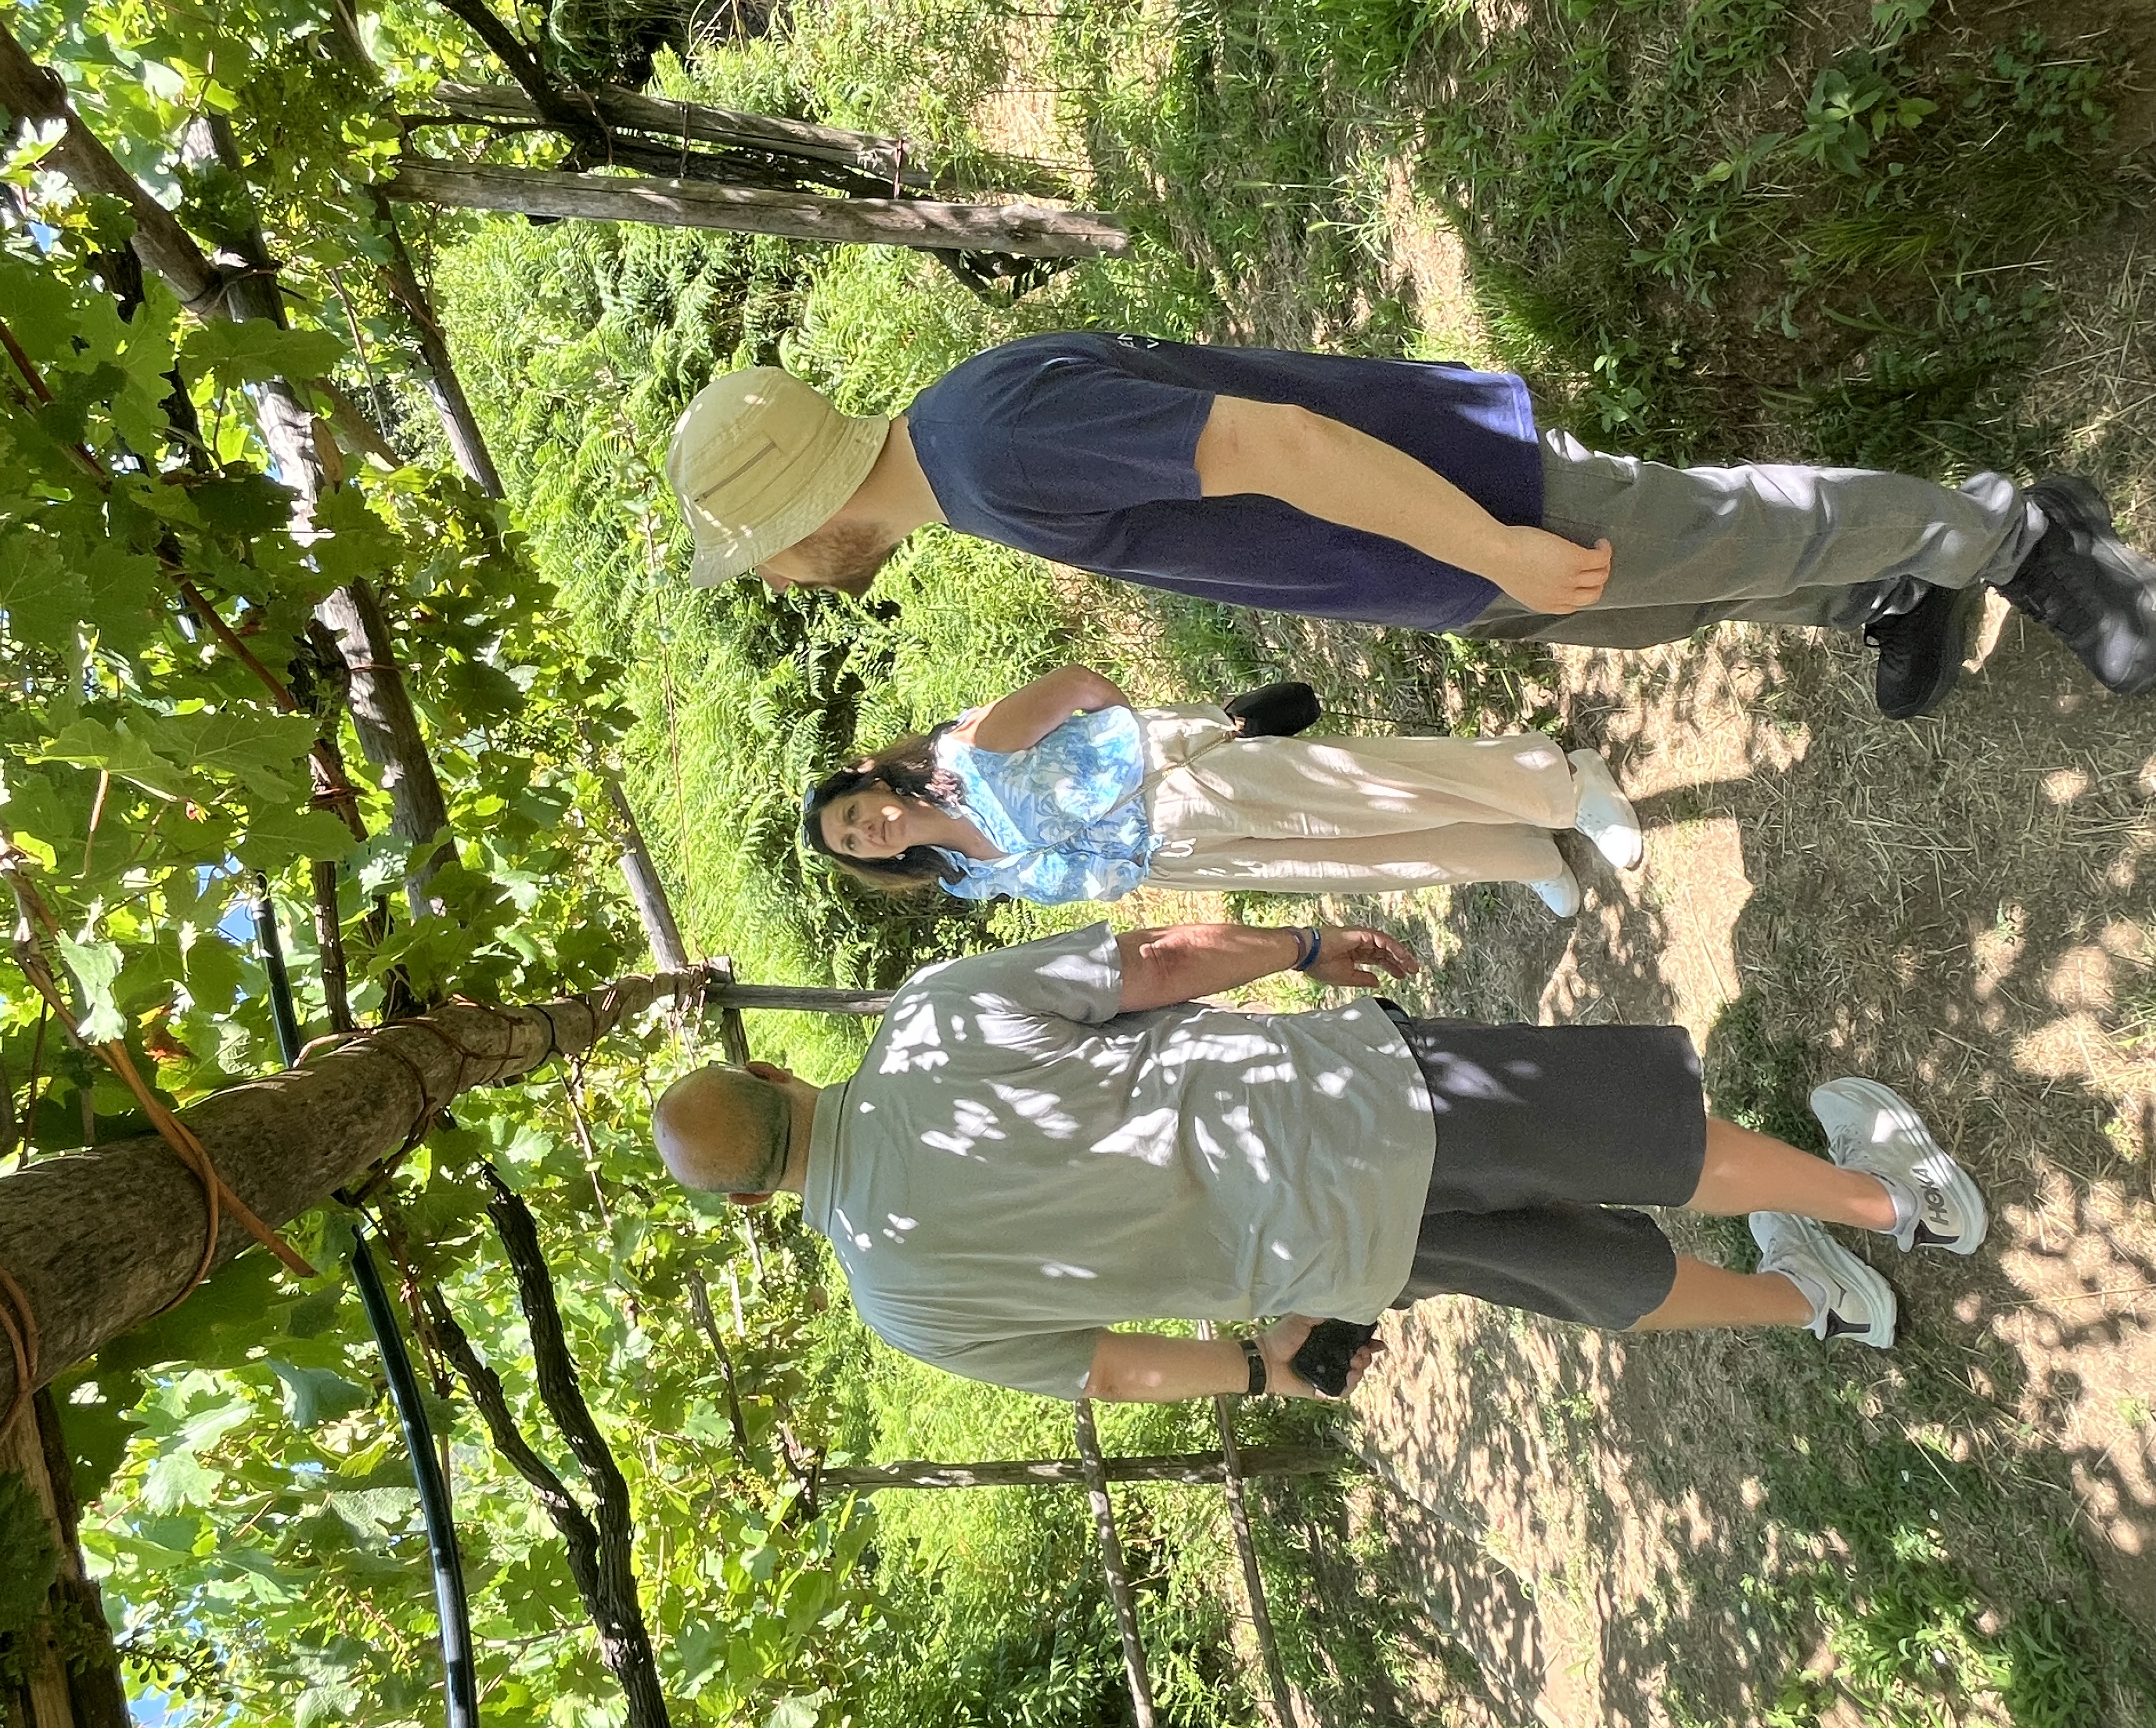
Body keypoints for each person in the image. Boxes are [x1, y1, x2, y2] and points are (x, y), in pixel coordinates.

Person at [650, 921, 1989, 1402]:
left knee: (1561, 1273)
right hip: (1344, 1103)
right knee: (1628, 1138)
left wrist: (1268, 1363)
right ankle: (1889, 1201)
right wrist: (1301, 948)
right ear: (775, 1073)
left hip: (1334, 1258)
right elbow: (1154, 964)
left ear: (758, 1205)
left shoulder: (903, 1308)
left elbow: (1111, 1367)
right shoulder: (932, 1018)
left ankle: (1818, 1304)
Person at [661, 335, 2156, 721]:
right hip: (1435, 549)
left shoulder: (991, 458)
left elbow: (1272, 440)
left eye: (760, 555)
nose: (782, 582)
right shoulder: (967, 424)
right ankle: (1891, 598)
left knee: (1721, 532)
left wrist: (1494, 546)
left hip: (1462, 507)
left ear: (797, 509)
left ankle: (2016, 533)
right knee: (1683, 593)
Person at [800, 663, 1643, 917]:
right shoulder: (966, 877)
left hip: (1176, 786)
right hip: (1172, 861)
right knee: (1367, 861)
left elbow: (1079, 686)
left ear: (869, 778)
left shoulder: (970, 752)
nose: (865, 831)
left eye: (851, 814)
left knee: (1373, 791)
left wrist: (1168, 749)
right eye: (851, 844)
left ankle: (1565, 785)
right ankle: (1519, 850)